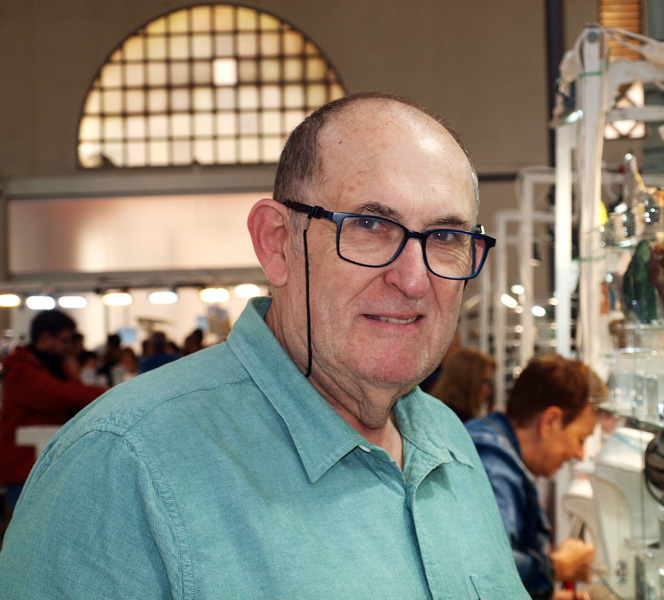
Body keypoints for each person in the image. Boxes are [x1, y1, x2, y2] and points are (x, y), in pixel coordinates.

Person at [0, 93, 527, 598]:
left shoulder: (451, 443)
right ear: (276, 243)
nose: (413, 279)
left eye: (446, 237)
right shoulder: (121, 466)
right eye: (370, 225)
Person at [466, 354, 606, 600]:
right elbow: (487, 571)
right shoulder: (494, 462)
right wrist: (558, 567)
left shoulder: (489, 442)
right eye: (580, 439)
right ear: (550, 422)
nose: (580, 453)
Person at [0, 310, 107, 509]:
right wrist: (107, 393)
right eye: (65, 340)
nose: (68, 347)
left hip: (45, 462)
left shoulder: (54, 364)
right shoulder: (21, 368)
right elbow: (57, 394)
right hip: (24, 467)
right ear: (45, 337)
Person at [430, 345, 496, 421]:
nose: (490, 390)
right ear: (467, 381)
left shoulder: (435, 413)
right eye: (485, 382)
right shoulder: (460, 423)